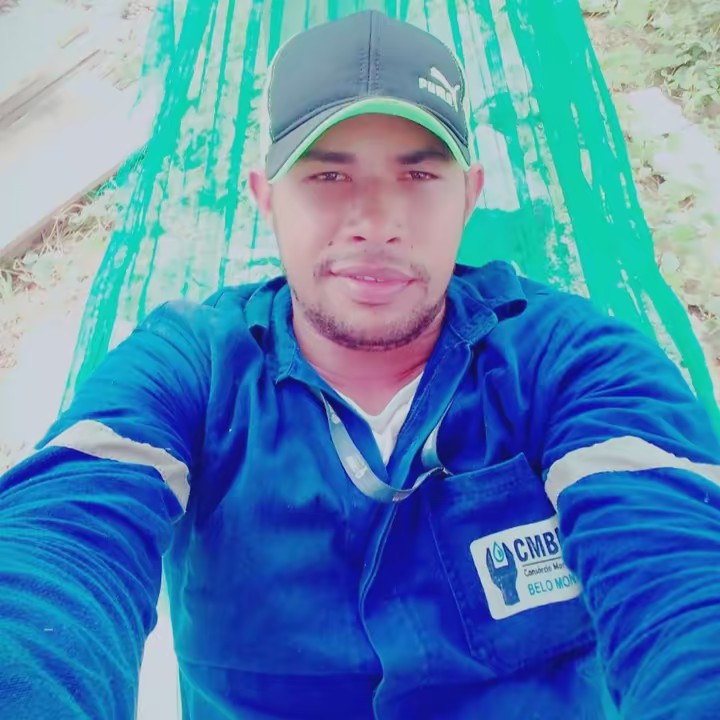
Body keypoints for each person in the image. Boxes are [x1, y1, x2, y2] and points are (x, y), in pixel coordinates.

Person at [1, 9, 719, 720]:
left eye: (418, 175)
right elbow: (63, 535)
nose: (377, 223)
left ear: (469, 196)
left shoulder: (566, 362)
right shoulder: (194, 368)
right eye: (328, 176)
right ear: (265, 198)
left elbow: (681, 570)